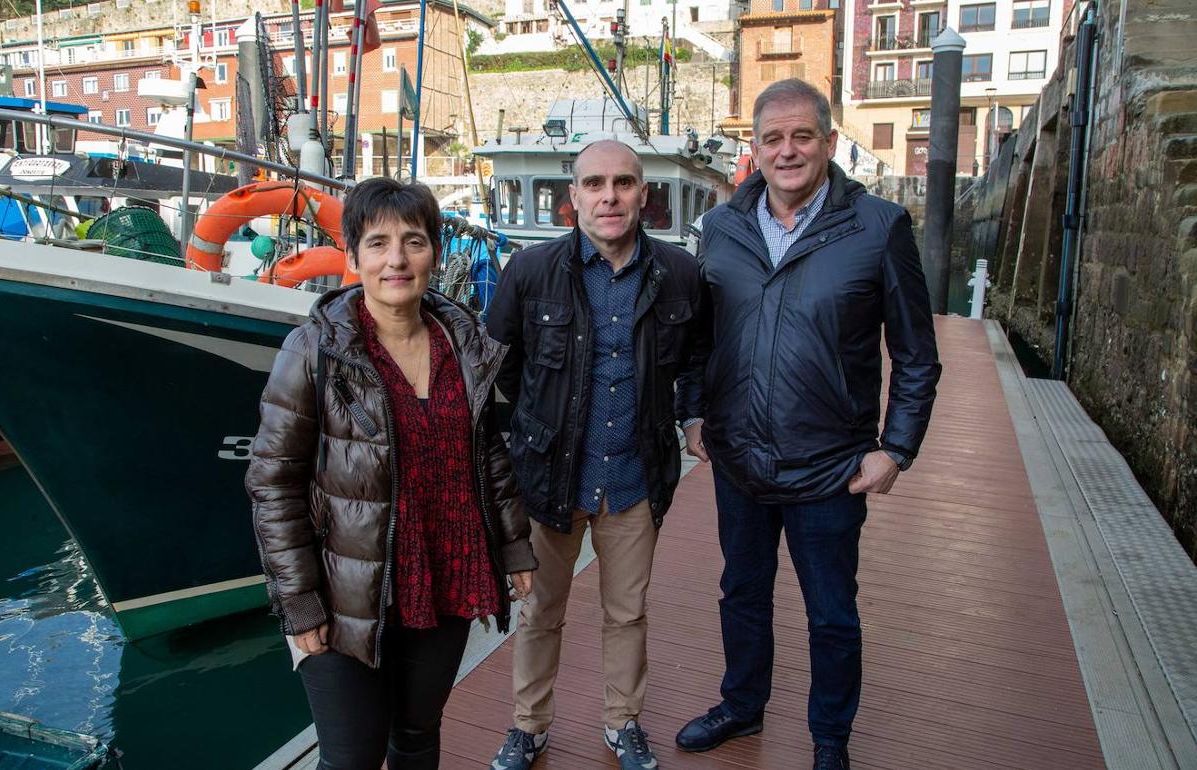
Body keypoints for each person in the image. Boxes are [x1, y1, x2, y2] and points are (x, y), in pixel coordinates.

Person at [674, 78, 941, 770]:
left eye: (801, 136)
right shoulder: (722, 227)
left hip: (831, 465)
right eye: (772, 139)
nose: (787, 151)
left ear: (827, 141)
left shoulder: (879, 227)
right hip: (738, 458)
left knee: (831, 611)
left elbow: (916, 354)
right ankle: (741, 704)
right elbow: (698, 338)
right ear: (754, 149)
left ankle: (831, 738)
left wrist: (897, 449)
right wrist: (694, 413)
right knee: (742, 591)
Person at [247, 178, 538, 770]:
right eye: (377, 243)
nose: (397, 260)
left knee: (416, 737)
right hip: (346, 589)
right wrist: (298, 601)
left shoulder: (463, 344)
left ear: (435, 251)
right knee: (350, 758)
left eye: (414, 241)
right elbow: (272, 480)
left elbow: (486, 455)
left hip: (445, 574)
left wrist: (514, 548)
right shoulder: (316, 349)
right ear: (352, 258)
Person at [485, 139, 704, 770]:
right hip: (549, 477)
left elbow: (696, 358)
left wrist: (693, 414)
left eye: (624, 183)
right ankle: (529, 727)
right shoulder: (529, 273)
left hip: (635, 475)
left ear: (643, 193)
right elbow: (503, 368)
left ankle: (622, 722)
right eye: (595, 184)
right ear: (573, 196)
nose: (610, 196)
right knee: (538, 611)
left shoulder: (680, 275)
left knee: (627, 612)